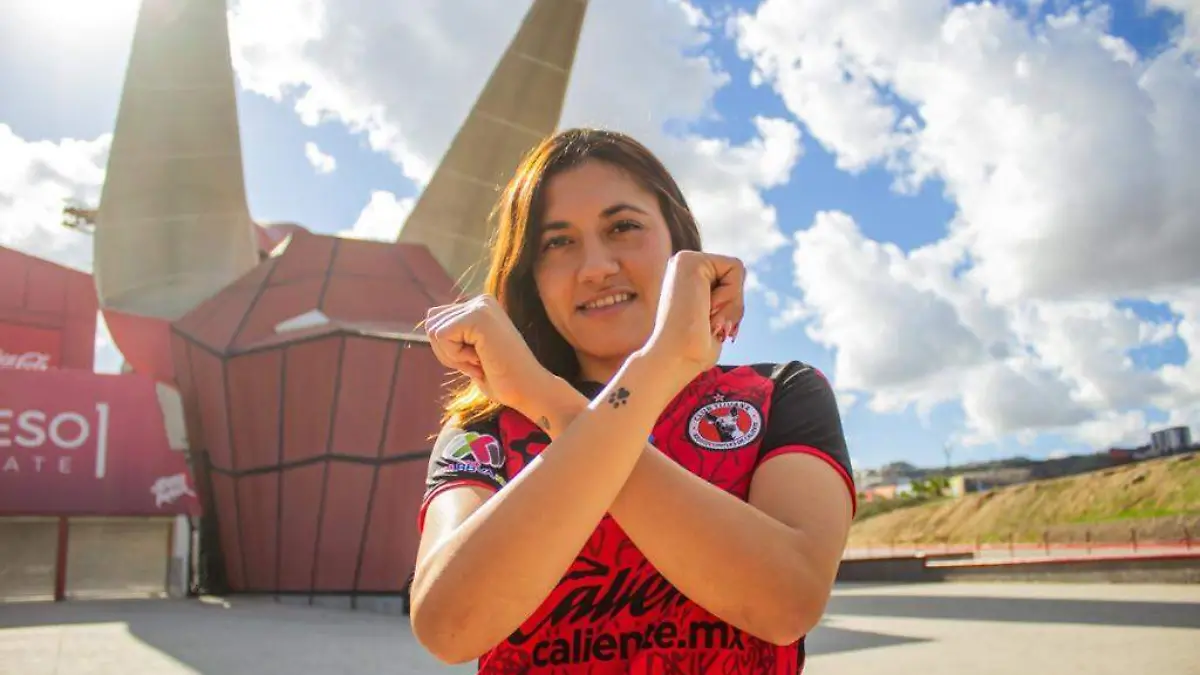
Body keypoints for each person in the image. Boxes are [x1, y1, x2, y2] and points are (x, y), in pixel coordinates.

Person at [410, 128, 856, 674]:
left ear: (679, 244)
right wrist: (637, 379)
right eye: (557, 242)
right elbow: (447, 625)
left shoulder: (778, 393)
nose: (595, 266)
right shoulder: (485, 429)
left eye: (622, 227)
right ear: (532, 276)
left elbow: (786, 601)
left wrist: (556, 403)